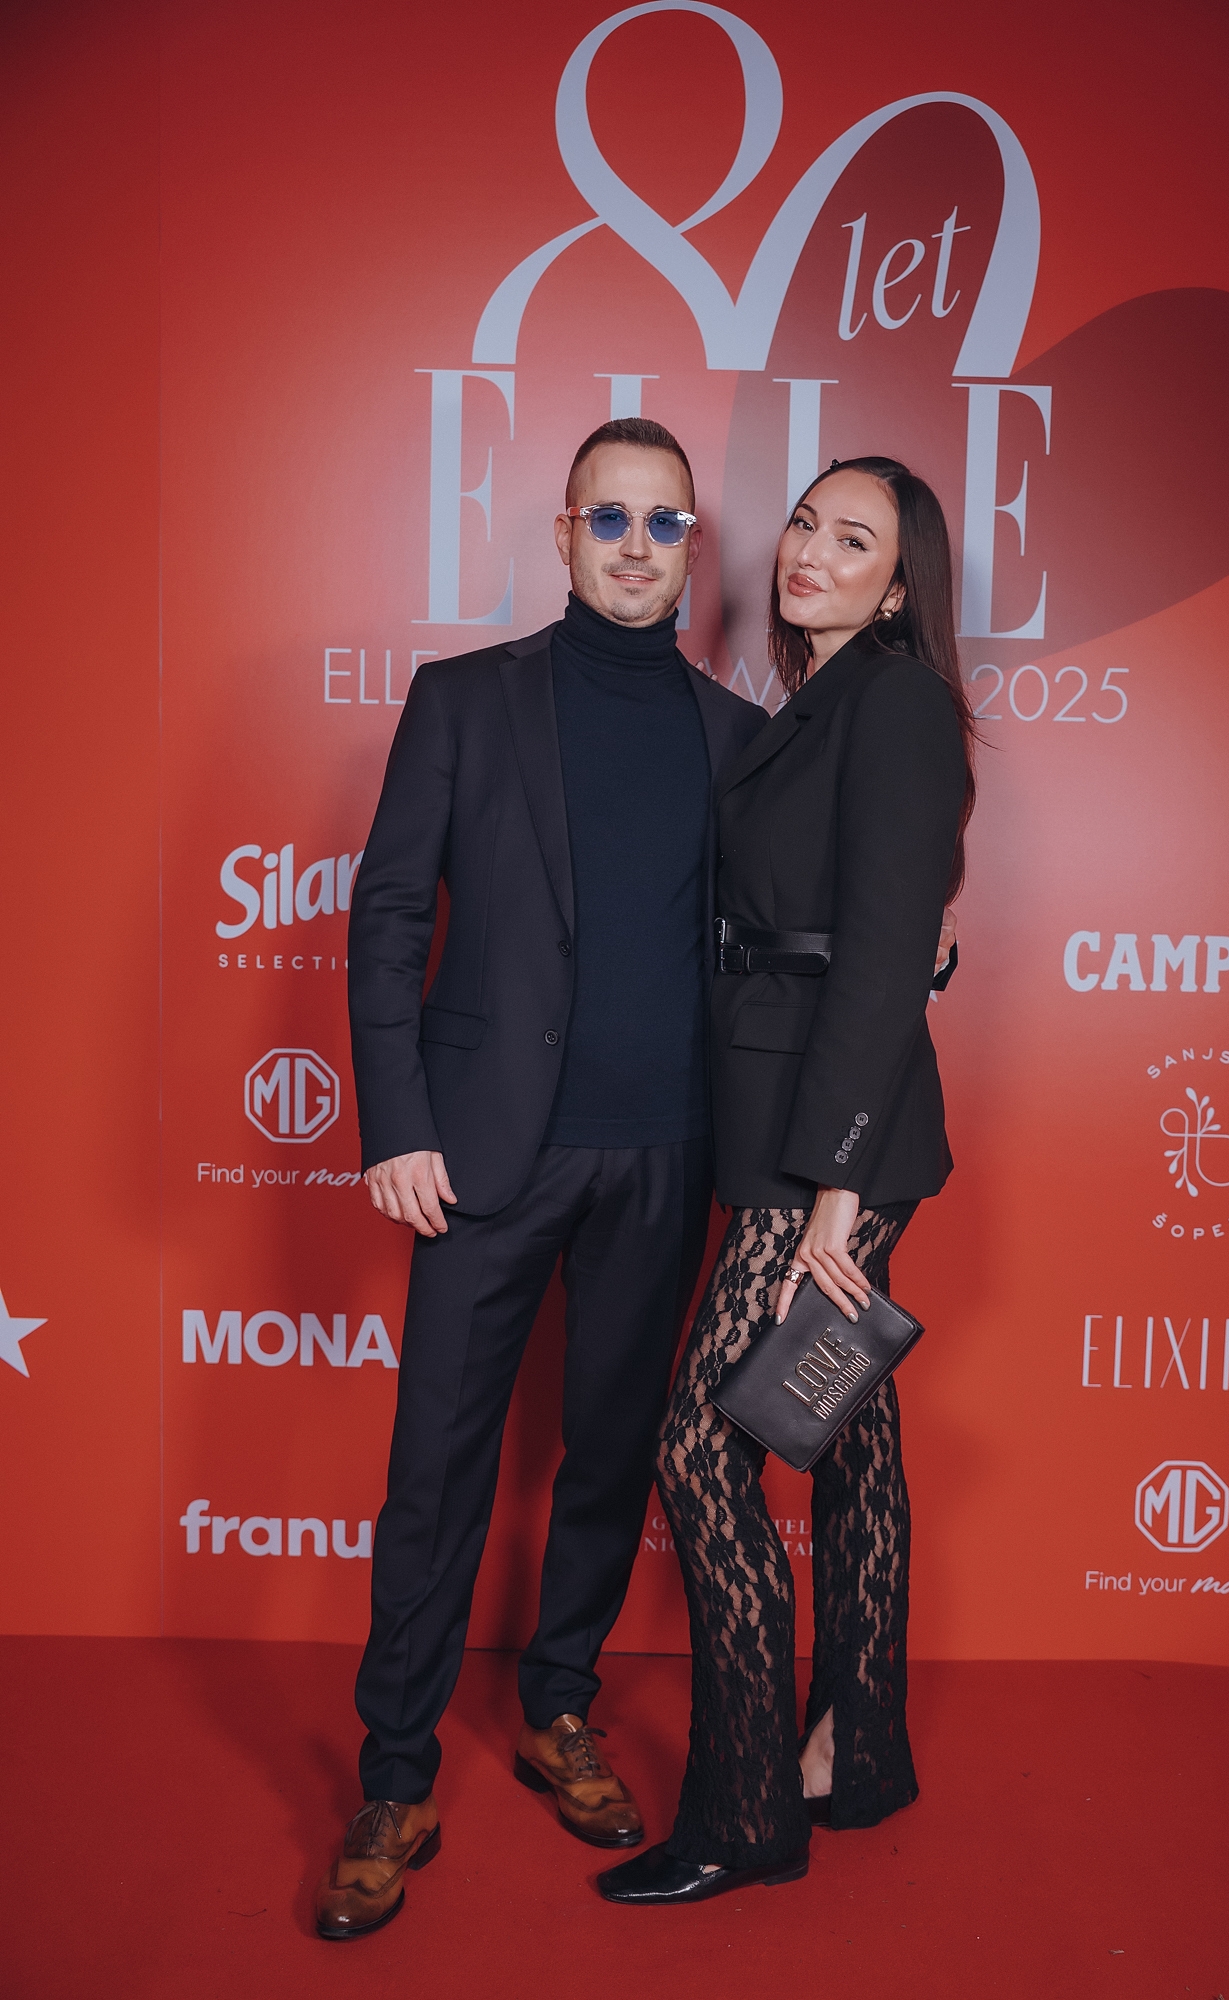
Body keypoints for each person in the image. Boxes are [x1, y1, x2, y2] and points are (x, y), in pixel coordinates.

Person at [316, 418, 767, 1941]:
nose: (638, 547)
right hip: (482, 1153)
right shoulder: (465, 700)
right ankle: (395, 1775)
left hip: (667, 1154)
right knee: (435, 1468)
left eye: (665, 523)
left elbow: (773, 941)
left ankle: (559, 1704)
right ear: (566, 534)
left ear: (691, 547)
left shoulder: (734, 735)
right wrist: (396, 1124)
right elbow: (389, 915)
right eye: (611, 519)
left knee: (608, 1454)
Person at [597, 456, 975, 1907]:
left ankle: (746, 1805)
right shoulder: (812, 704)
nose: (809, 552)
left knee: (705, 1450)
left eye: (852, 539)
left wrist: (831, 1194)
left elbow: (883, 954)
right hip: (781, 1110)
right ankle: (856, 1750)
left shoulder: (896, 703)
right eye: (806, 523)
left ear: (900, 583)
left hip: (828, 1146)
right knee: (850, 1429)